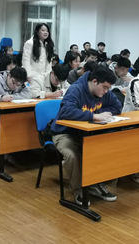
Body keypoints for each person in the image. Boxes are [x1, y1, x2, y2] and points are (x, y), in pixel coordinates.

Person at [51, 66, 122, 205]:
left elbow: (117, 107)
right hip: (65, 132)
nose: (106, 91)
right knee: (72, 154)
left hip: (87, 133)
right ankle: (79, 191)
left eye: (108, 88)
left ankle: (96, 184)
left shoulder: (104, 92)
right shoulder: (76, 89)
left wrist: (98, 113)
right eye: (105, 87)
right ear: (94, 82)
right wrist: (93, 116)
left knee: (108, 148)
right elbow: (66, 111)